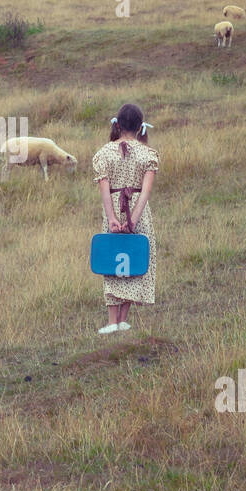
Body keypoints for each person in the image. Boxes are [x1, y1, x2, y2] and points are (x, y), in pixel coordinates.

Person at [91, 103, 158, 335]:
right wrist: (134, 220)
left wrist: (111, 218)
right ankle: (123, 319)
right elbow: (146, 191)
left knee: (112, 261)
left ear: (117, 125)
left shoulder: (103, 153)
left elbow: (104, 188)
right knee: (133, 261)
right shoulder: (149, 154)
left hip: (114, 209)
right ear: (141, 127)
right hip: (138, 213)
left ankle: (112, 321)